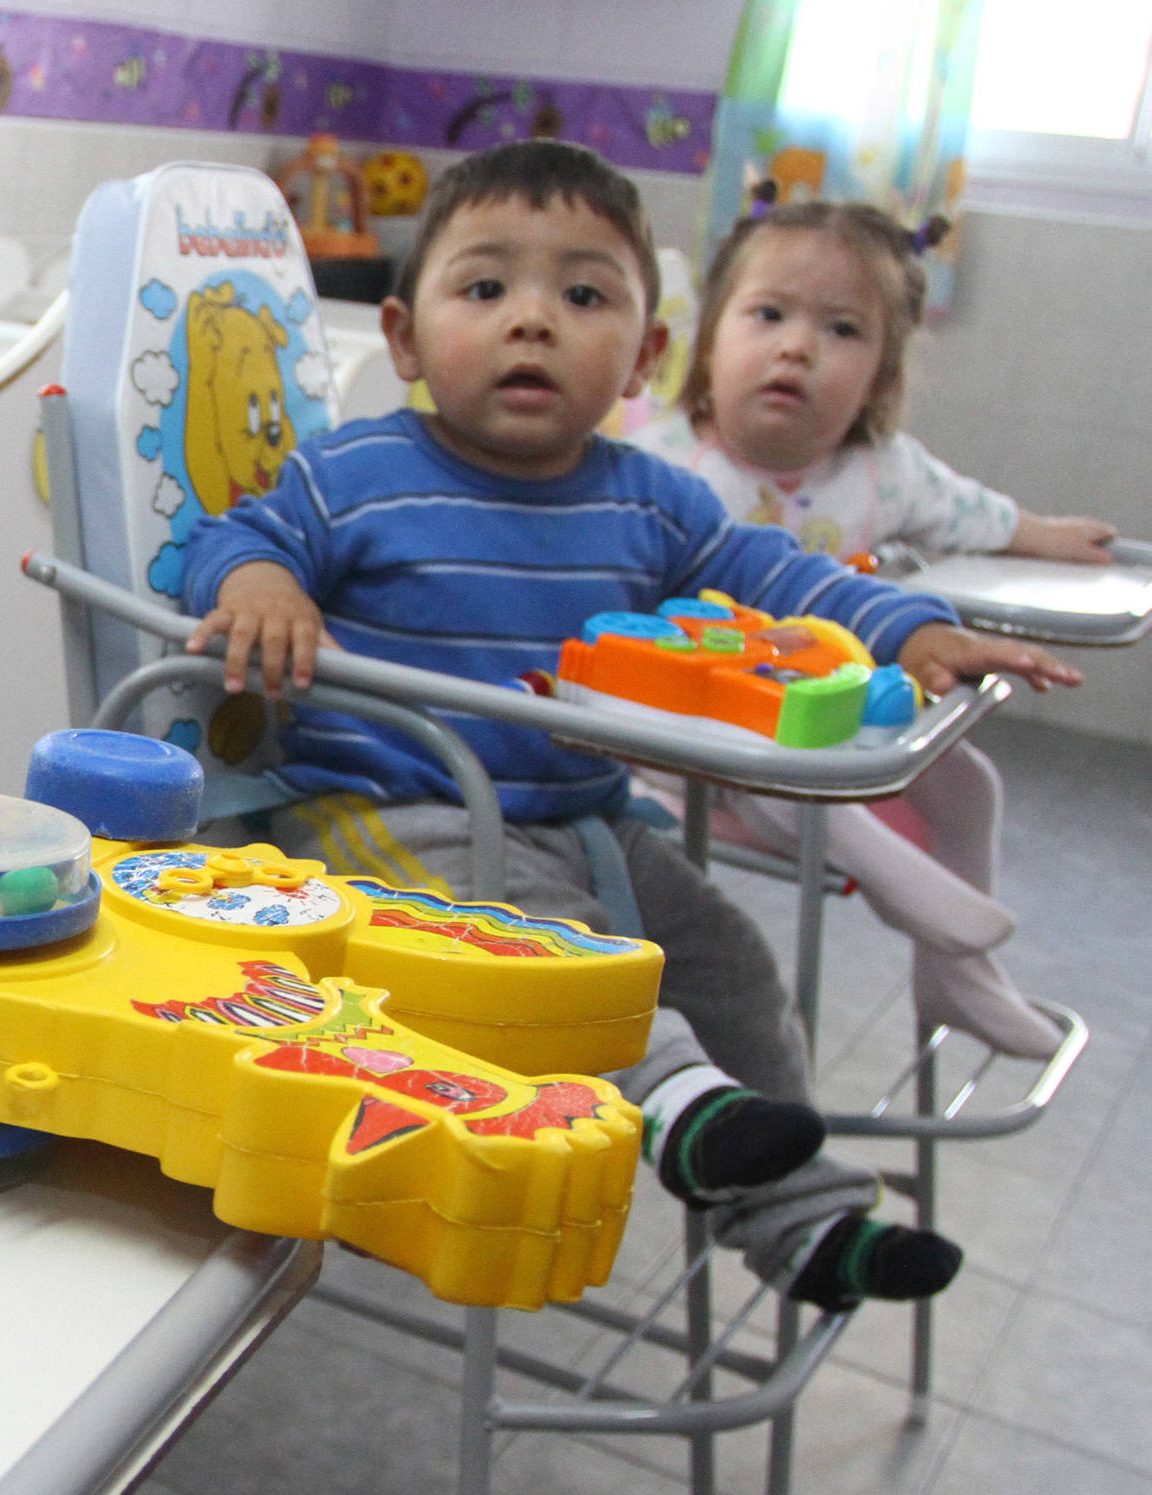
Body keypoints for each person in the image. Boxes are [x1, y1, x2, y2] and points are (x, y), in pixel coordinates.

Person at [176, 141, 1084, 1310]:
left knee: (733, 966)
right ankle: (676, 1106)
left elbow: (773, 573)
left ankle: (802, 1221)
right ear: (403, 339)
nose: (532, 323)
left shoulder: (645, 497)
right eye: (485, 288)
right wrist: (258, 582)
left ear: (647, 357)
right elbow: (234, 535)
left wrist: (906, 628)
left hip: (582, 816)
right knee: (562, 962)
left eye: (584, 295)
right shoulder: (351, 474)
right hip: (384, 823)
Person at [631, 198, 1110, 1056]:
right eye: (767, 315)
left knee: (968, 781)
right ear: (709, 344)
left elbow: (977, 517)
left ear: (881, 375)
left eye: (840, 330)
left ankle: (954, 975)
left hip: (836, 708)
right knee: (815, 782)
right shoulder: (665, 467)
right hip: (690, 736)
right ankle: (920, 903)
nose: (796, 347)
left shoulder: (881, 472)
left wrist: (1052, 536)